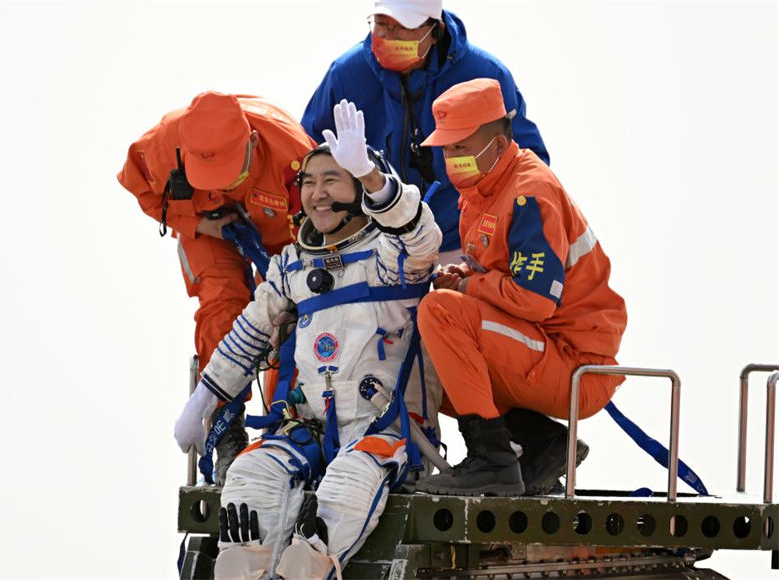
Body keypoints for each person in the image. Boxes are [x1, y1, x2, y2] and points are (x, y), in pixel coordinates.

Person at [174, 100, 443, 578]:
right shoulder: (292, 265)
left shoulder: (388, 256)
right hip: (307, 429)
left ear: (359, 189)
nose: (317, 194)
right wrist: (203, 401)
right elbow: (250, 332)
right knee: (247, 485)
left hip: (379, 435)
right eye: (308, 183)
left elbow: (422, 236)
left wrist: (377, 180)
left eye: (332, 180)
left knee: (336, 502)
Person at [413, 78, 627, 496]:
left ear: (497, 143)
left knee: (440, 313)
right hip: (537, 347)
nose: (451, 158)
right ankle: (538, 443)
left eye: (460, 146)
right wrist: (467, 281)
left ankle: (491, 462)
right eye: (447, 148)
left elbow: (533, 299)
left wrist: (469, 287)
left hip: (574, 363)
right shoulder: (481, 191)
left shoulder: (530, 192)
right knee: (426, 366)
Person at [117, 91, 316, 484]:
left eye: (232, 173)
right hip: (209, 230)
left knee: (304, 317)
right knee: (222, 311)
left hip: (285, 238)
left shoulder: (293, 156)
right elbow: (141, 189)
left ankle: (301, 426)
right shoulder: (160, 145)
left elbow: (319, 226)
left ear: (253, 145)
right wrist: (198, 225)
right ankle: (227, 431)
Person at [302, 0, 548, 264]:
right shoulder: (346, 74)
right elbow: (308, 149)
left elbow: (527, 161)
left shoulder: (484, 74)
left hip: (466, 243)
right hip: (378, 243)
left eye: (401, 27)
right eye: (381, 25)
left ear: (435, 29)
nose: (387, 36)